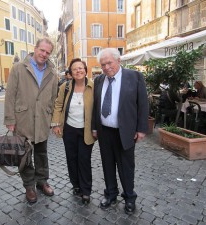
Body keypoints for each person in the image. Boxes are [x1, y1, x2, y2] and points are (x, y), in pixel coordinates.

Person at [92, 48, 149, 215]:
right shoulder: (99, 80)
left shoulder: (134, 76)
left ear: (118, 61)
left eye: (109, 63)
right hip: (104, 132)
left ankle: (129, 198)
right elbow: (96, 106)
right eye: (103, 64)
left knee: (126, 167)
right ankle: (110, 194)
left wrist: (141, 129)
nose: (106, 67)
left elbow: (143, 105)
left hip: (125, 132)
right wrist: (95, 127)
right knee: (107, 165)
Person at [4, 38, 58, 203]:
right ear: (35, 49)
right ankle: (29, 185)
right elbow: (10, 95)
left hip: (42, 120)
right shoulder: (18, 68)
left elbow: (54, 99)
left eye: (48, 52)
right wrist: (10, 119)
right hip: (23, 120)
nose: (44, 54)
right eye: (42, 50)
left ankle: (42, 181)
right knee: (24, 155)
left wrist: (52, 119)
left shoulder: (53, 73)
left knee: (42, 153)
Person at [51, 58, 95, 204]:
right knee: (71, 158)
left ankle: (86, 190)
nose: (78, 71)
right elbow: (58, 105)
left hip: (86, 130)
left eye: (81, 68)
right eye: (75, 69)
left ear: (85, 70)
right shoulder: (66, 86)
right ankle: (76, 185)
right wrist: (56, 124)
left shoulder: (93, 86)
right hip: (69, 129)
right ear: (70, 72)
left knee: (84, 159)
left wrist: (97, 128)